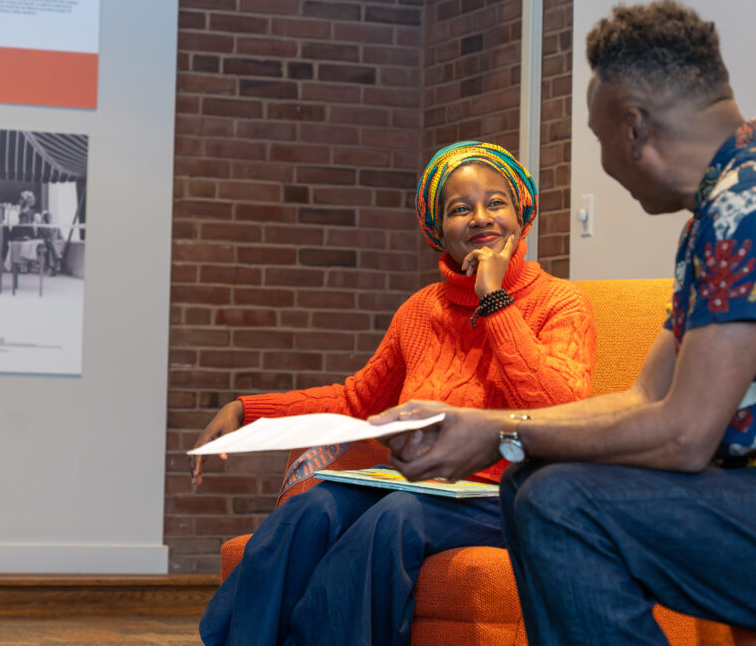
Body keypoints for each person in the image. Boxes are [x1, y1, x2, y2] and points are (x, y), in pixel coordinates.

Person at [373, 0, 756, 644]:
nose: (603, 165)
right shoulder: (731, 206)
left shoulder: (755, 206)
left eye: (598, 140)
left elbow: (683, 436)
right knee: (532, 484)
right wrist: (486, 428)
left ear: (634, 127)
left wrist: (500, 432)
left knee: (557, 502)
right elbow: (645, 398)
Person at [194, 141, 597, 645]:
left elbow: (556, 407)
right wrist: (249, 409)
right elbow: (355, 400)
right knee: (311, 510)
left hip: (509, 492)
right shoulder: (419, 311)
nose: (480, 218)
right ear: (437, 229)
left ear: (522, 215)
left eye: (496, 202)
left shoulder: (562, 303)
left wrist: (493, 299)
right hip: (420, 483)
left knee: (393, 519)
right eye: (459, 208)